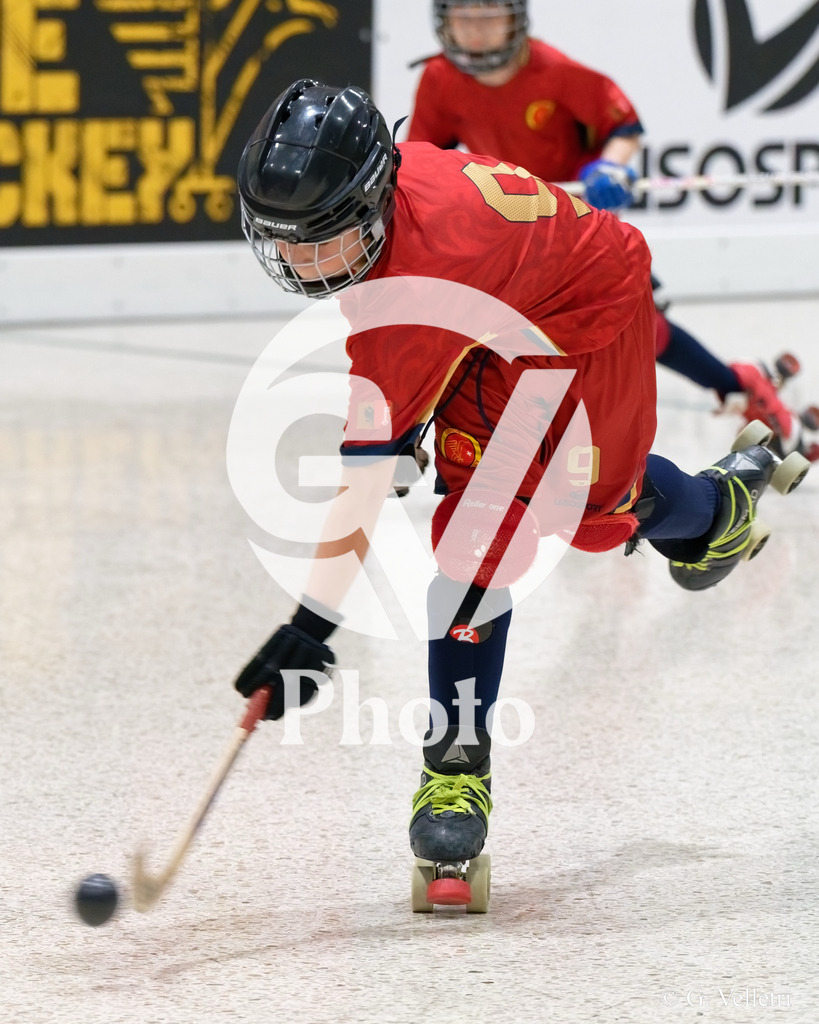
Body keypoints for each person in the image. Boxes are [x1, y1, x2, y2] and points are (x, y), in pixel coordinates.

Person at [232, 78, 806, 905]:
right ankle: (452, 777)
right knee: (474, 547)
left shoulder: (411, 294)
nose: (293, 261)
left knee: (595, 517)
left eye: (315, 240)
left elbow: (362, 477)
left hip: (592, 309)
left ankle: (718, 511)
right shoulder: (399, 201)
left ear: (371, 203)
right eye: (278, 239)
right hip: (498, 324)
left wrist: (308, 627)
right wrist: (404, 425)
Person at [406, 0, 814, 460]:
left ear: (515, 19)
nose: (476, 34)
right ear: (444, 25)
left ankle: (740, 384)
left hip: (574, 225)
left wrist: (610, 167)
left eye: (489, 19)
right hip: (506, 230)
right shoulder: (439, 79)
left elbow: (624, 125)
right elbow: (424, 158)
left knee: (635, 329)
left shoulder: (556, 71)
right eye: (465, 21)